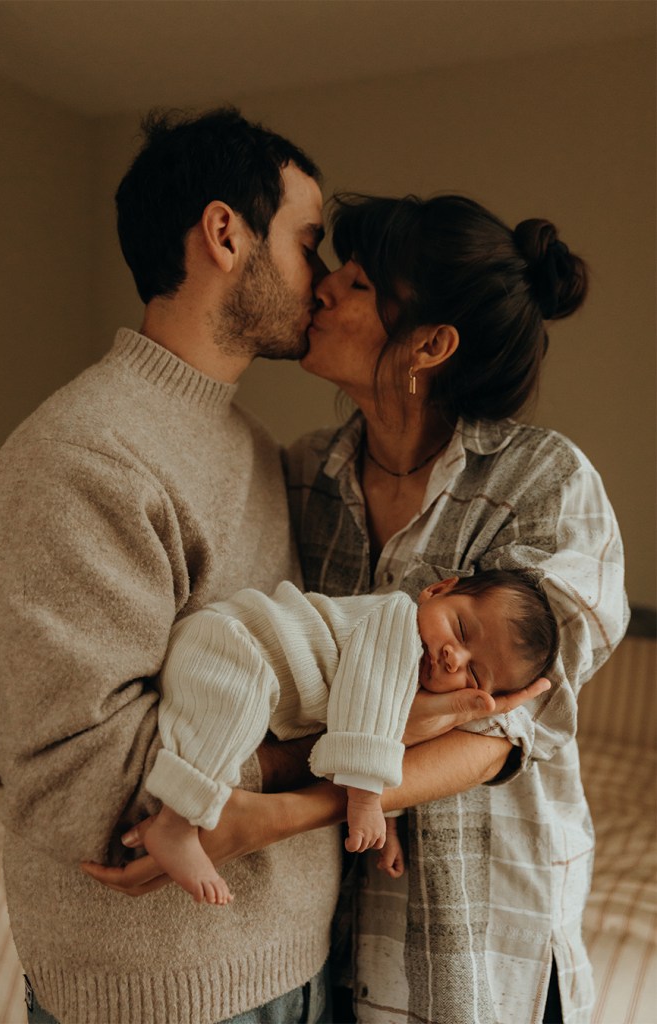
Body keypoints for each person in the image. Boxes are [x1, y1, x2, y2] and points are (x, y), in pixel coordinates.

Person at [86, 192, 627, 1024]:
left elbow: (499, 729)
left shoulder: (542, 482)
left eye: (361, 283)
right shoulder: (301, 474)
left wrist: (276, 815)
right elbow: (285, 675)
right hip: (328, 939)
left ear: (430, 345)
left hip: (481, 943)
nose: (324, 288)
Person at [0, 106, 340, 1024]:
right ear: (226, 234)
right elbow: (81, 776)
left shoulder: (253, 447)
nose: (326, 280)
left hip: (295, 958)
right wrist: (334, 747)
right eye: (308, 242)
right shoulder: (78, 458)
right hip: (164, 990)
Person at [143, 569, 559, 903]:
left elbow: (384, 732)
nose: (455, 656)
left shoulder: (413, 673)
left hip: (242, 666)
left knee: (226, 731)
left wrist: (388, 823)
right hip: (233, 645)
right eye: (462, 630)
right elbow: (368, 699)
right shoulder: (398, 620)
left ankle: (174, 811)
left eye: (474, 673)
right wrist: (364, 800)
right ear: (439, 589)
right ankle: (174, 825)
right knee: (229, 718)